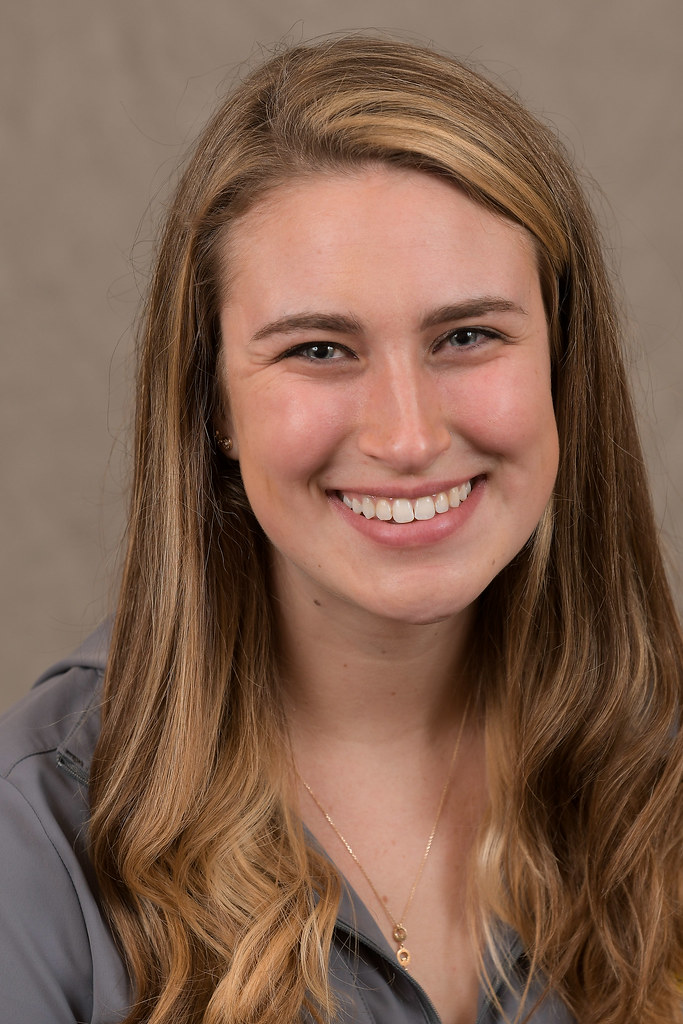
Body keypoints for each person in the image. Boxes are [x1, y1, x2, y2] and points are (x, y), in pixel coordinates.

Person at [0, 35, 681, 1024]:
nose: (406, 436)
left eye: (466, 336)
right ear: (214, 408)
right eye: (318, 348)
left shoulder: (659, 768)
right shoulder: (39, 831)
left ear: (559, 372)